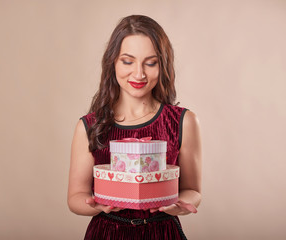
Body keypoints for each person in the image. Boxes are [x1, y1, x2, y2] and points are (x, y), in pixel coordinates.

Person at [67, 15, 202, 240]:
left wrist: (178, 203)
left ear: (163, 65)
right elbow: (75, 197)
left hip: (163, 232)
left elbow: (193, 190)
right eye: (128, 61)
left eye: (150, 63)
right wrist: (98, 205)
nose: (138, 74)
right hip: (108, 233)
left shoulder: (184, 121)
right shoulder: (89, 126)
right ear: (113, 62)